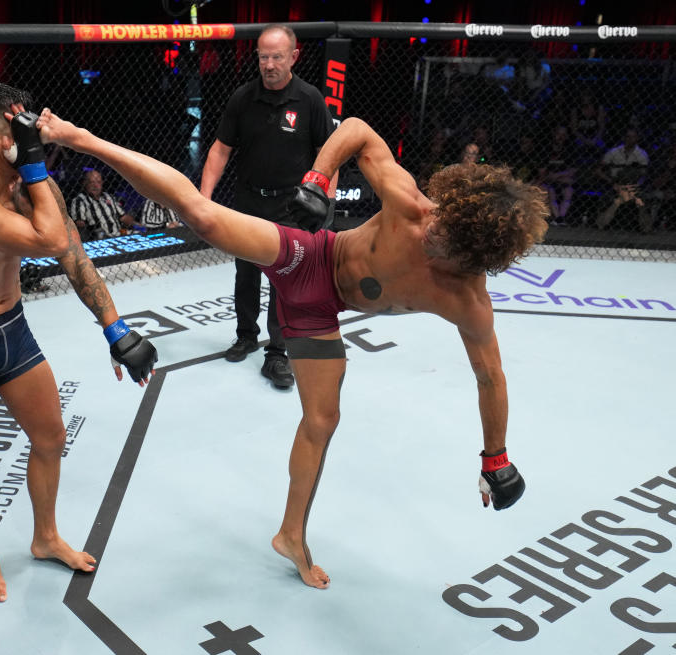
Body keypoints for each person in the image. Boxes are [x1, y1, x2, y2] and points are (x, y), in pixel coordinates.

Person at [35, 107, 547, 590]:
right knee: (203, 216)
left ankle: (291, 535)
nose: (431, 230)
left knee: (322, 422)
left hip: (316, 317)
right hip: (310, 258)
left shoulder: (467, 300)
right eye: (440, 218)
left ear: (473, 255)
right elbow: (358, 129)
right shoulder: (410, 205)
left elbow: (490, 377)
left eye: (446, 239)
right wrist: (318, 179)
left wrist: (495, 456)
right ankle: (80, 137)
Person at [0, 82, 158, 603]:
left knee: (51, 437)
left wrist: (114, 328)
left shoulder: (25, 186)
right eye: (21, 123)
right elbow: (47, 240)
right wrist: (32, 161)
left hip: (13, 328)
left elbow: (70, 252)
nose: (34, 128)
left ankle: (45, 537)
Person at [199, 24, 337, 390]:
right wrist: (203, 198)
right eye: (263, 57)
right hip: (247, 203)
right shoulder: (243, 98)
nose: (269, 64)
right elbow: (220, 149)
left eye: (277, 56)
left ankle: (277, 353)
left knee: (283, 281)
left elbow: (329, 153)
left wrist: (326, 201)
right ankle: (246, 335)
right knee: (246, 274)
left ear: (293, 56)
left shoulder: (309, 99)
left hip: (291, 206)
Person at [595, 128, 651, 231]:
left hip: (634, 185)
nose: (630, 139)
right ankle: (601, 224)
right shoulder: (613, 152)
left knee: (640, 199)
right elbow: (598, 170)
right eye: (628, 137)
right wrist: (612, 182)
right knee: (614, 198)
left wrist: (635, 187)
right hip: (615, 182)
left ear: (637, 138)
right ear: (624, 138)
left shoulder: (642, 154)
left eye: (633, 137)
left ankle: (646, 228)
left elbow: (644, 175)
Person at [68, 168, 139, 240]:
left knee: (142, 235)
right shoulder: (80, 200)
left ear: (102, 183)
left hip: (119, 234)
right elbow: (80, 224)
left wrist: (138, 224)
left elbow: (123, 217)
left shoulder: (108, 197)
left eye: (98, 182)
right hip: (99, 238)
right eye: (92, 182)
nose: (95, 185)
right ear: (85, 183)